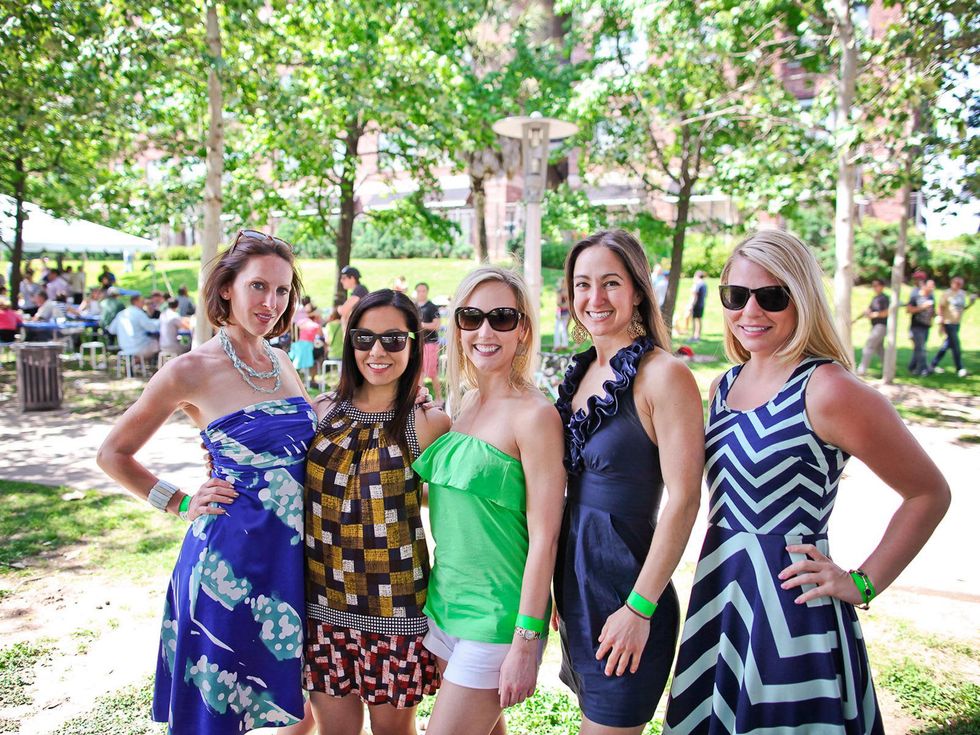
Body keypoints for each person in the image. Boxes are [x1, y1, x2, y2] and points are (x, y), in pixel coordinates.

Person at [663, 229, 950, 734]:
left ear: (802, 299)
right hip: (722, 589)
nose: (749, 311)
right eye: (736, 296)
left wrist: (863, 581)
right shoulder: (725, 384)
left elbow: (928, 493)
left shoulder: (830, 389)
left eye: (771, 296)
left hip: (790, 609)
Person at [97, 229, 317, 734]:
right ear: (226, 289)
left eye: (283, 291)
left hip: (291, 564)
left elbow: (303, 439)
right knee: (218, 715)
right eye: (258, 286)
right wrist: (177, 502)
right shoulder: (188, 370)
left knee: (299, 714)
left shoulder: (281, 361)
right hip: (227, 568)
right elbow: (113, 454)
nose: (271, 302)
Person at [554, 230, 704, 734]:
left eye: (611, 283)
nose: (594, 299)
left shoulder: (665, 376)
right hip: (576, 587)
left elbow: (684, 500)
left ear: (638, 289)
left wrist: (639, 608)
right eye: (582, 284)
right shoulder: (579, 374)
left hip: (630, 594)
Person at [412, 266, 566, 735]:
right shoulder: (463, 404)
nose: (484, 331)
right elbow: (456, 500)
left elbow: (546, 536)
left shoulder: (536, 415)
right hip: (445, 604)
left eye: (501, 318)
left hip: (497, 618)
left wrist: (526, 639)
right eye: (471, 317)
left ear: (522, 329)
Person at [302, 289, 451, 735]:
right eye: (364, 339)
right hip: (323, 603)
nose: (377, 351)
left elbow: (448, 506)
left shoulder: (428, 422)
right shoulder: (321, 413)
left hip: (395, 610)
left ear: (413, 343)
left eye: (393, 339)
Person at [931, 275, 974, 377]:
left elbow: (962, 308)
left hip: (956, 323)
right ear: (952, 283)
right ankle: (960, 368)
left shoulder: (962, 294)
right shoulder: (947, 294)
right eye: (957, 283)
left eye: (961, 284)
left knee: (946, 346)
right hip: (948, 322)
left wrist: (971, 303)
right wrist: (941, 324)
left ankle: (933, 364)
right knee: (956, 346)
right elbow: (940, 308)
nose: (959, 286)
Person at [108, 294, 161, 362]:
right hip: (138, 347)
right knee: (159, 343)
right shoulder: (138, 313)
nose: (143, 303)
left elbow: (111, 330)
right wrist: (161, 321)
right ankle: (154, 366)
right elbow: (151, 327)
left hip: (124, 347)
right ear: (136, 301)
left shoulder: (121, 314)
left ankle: (136, 363)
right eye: (142, 301)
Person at [415, 281, 443, 405]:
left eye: (423, 291)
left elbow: (437, 325)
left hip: (430, 343)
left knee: (431, 373)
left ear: (427, 292)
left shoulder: (432, 307)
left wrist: (421, 325)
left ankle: (439, 398)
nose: (421, 293)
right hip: (418, 343)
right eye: (419, 291)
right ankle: (420, 398)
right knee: (419, 372)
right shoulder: (414, 306)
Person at [857, 277, 890, 377]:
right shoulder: (875, 298)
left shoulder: (884, 298)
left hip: (881, 326)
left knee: (869, 346)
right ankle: (887, 369)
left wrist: (874, 315)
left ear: (882, 286)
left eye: (876, 285)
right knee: (879, 349)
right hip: (875, 325)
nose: (874, 287)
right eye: (873, 285)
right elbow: (868, 310)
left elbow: (886, 312)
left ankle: (862, 370)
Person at [906, 273, 935, 375]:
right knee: (921, 348)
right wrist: (923, 307)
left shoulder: (931, 296)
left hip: (926, 326)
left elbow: (933, 311)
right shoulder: (915, 295)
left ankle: (911, 367)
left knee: (919, 348)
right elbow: (908, 309)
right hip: (917, 326)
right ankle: (922, 369)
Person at [338, 266, 368, 331]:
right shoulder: (358, 290)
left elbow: (343, 310)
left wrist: (339, 308)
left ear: (352, 278)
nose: (341, 281)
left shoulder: (360, 289)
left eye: (344, 278)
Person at [688, 270, 708, 342]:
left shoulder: (697, 284)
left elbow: (694, 296)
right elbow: (705, 295)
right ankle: (698, 335)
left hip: (696, 305)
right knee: (699, 320)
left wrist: (691, 305)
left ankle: (694, 336)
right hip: (701, 304)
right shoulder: (705, 285)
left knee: (694, 320)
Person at [554, 277, 570, 350]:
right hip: (560, 312)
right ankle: (558, 345)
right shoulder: (561, 291)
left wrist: (565, 305)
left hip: (565, 312)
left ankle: (564, 344)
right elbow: (559, 303)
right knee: (559, 329)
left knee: (564, 328)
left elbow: (561, 303)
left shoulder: (566, 292)